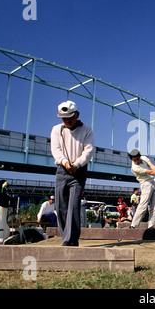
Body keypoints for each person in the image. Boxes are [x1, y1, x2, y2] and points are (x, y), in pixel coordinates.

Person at [51, 100, 94, 246]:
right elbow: (55, 149)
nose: (67, 121)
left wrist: (76, 164)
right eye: (64, 118)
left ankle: (71, 240)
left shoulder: (86, 129)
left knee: (74, 206)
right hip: (62, 170)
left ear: (77, 115)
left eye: (70, 117)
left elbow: (88, 151)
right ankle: (65, 238)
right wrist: (65, 162)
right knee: (61, 205)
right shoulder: (57, 130)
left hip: (79, 171)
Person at [128, 149, 155, 229]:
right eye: (134, 160)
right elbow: (150, 172)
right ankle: (133, 225)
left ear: (140, 156)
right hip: (146, 184)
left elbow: (152, 166)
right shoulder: (134, 167)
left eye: (137, 159)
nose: (136, 161)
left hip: (153, 182)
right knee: (143, 205)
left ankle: (151, 225)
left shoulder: (144, 158)